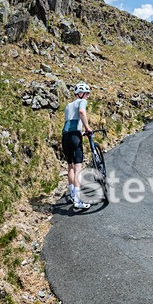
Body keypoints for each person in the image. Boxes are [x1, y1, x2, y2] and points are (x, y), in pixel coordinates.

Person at [62, 82, 92, 210]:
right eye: (86, 94)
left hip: (65, 136)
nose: (87, 97)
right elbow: (81, 112)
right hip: (75, 136)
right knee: (78, 167)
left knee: (70, 166)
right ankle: (78, 201)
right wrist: (87, 128)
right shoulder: (82, 102)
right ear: (80, 94)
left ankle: (73, 194)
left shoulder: (68, 105)